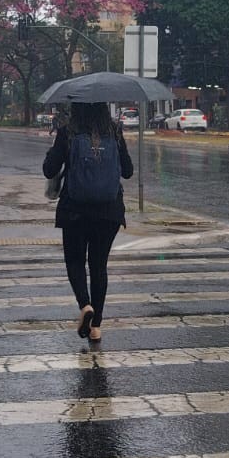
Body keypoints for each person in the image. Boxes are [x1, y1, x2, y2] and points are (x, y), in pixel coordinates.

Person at [43, 101, 133, 342]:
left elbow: (49, 170)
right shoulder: (114, 131)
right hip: (108, 211)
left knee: (75, 261)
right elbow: (128, 171)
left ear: (77, 107)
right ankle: (96, 327)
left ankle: (85, 306)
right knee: (98, 265)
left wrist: (53, 151)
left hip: (75, 210)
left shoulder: (68, 132)